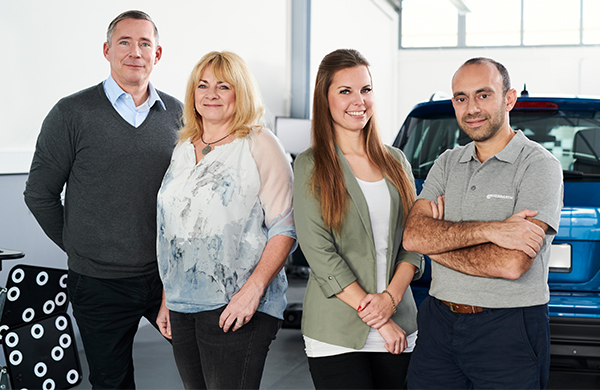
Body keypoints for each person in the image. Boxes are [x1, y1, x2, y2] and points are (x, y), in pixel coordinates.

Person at [23, 10, 182, 389]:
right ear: (107, 50)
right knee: (112, 382)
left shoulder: (179, 114)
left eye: (145, 43)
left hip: (167, 278)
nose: (135, 52)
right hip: (98, 283)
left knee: (206, 368)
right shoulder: (71, 113)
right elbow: (39, 194)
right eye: (125, 42)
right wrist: (81, 246)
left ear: (157, 54)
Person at [404, 57, 563, 389]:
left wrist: (437, 245)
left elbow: (511, 263)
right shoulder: (447, 162)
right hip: (437, 322)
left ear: (509, 98)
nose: (471, 108)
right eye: (461, 98)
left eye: (483, 95)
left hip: (508, 328)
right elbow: (413, 236)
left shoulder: (538, 165)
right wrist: (492, 229)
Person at [155, 51, 296, 390]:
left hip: (238, 303)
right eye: (202, 85)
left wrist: (252, 291)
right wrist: (167, 298)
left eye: (223, 86)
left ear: (241, 92)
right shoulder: (183, 147)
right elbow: (173, 231)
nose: (211, 94)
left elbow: (285, 228)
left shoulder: (260, 143)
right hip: (182, 304)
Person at [293, 48, 424, 389]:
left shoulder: (396, 162)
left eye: (366, 89)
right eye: (345, 91)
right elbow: (320, 253)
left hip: (399, 323)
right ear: (325, 98)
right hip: (336, 332)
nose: (358, 100)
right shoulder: (311, 165)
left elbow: (413, 242)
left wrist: (390, 301)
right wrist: (380, 320)